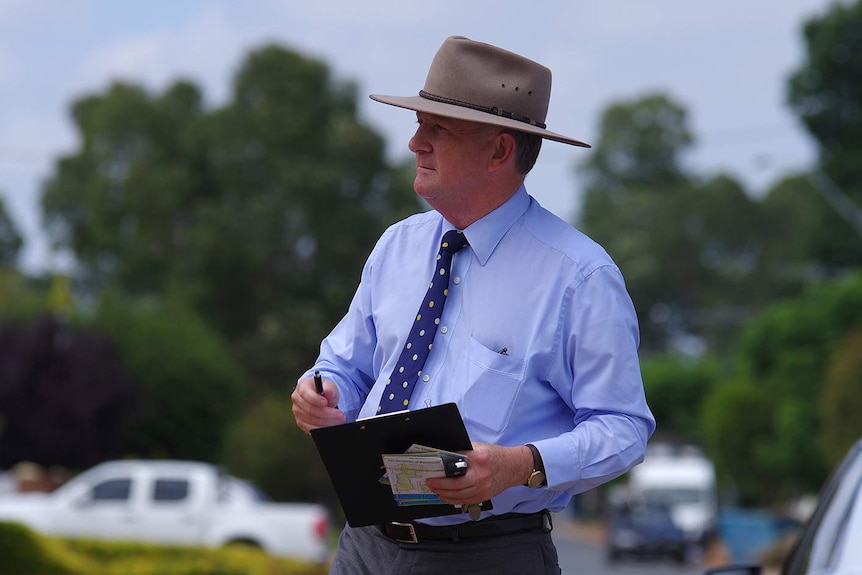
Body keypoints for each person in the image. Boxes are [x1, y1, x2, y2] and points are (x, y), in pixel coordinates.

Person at [291, 35, 655, 575]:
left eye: (438, 128)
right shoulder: (398, 246)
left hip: (491, 556)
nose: (415, 142)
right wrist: (322, 392)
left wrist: (520, 466)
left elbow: (623, 428)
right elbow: (347, 366)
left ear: (500, 150)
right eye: (419, 123)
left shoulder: (581, 277)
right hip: (364, 547)